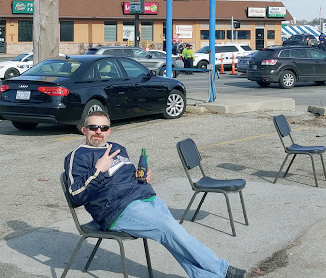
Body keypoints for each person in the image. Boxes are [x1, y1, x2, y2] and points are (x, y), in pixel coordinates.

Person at [64, 112, 262, 278]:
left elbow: (125, 175)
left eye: (103, 128)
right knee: (171, 230)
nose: (98, 132)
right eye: (93, 127)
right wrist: (98, 170)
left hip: (147, 198)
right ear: (84, 130)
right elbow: (76, 196)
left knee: (174, 234)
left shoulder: (117, 148)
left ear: (110, 130)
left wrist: (141, 177)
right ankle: (223, 269)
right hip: (118, 211)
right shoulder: (77, 156)